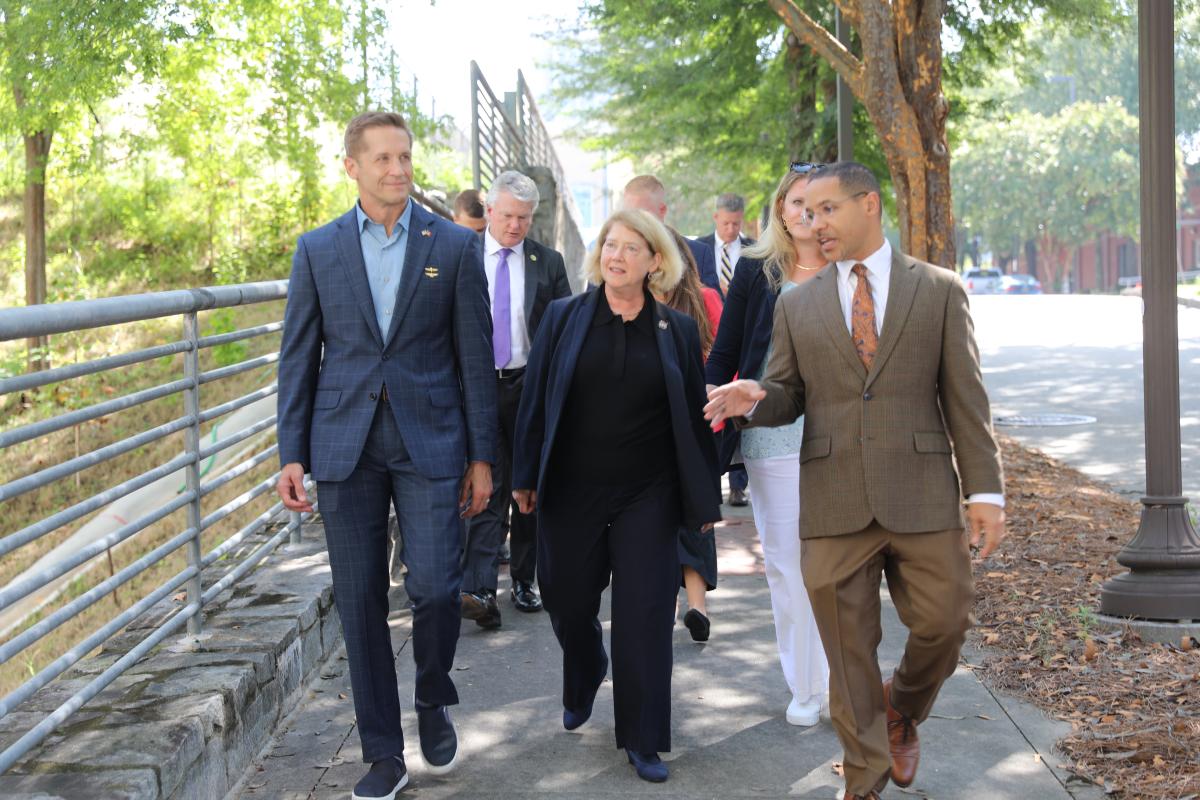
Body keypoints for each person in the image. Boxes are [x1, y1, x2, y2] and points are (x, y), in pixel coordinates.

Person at [705, 161, 1006, 800]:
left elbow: (966, 402)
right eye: (805, 213)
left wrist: (984, 491)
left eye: (825, 210)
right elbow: (788, 392)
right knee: (846, 654)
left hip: (921, 491)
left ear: (868, 204)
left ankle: (901, 708)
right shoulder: (798, 303)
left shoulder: (939, 289)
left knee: (945, 622)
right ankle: (863, 781)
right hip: (834, 498)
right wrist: (756, 397)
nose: (813, 225)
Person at [276, 111, 496, 800]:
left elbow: (475, 361)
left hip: (431, 441)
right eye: (382, 159)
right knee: (361, 602)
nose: (397, 169)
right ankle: (382, 754)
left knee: (435, 587)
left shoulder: (454, 247)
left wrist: (483, 456)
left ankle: (432, 694)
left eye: (404, 157)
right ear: (353, 167)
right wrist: (290, 452)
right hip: (343, 448)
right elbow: (297, 359)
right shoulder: (318, 250)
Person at [511, 208, 721, 784]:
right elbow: (535, 403)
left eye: (632, 247)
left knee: (646, 614)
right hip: (573, 488)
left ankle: (643, 736)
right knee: (566, 597)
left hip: (647, 493)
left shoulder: (674, 329)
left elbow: (692, 424)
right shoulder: (563, 317)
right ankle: (585, 668)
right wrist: (524, 477)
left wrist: (703, 503)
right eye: (610, 244)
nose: (616, 255)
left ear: (656, 262)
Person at [705, 163, 830, 725]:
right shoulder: (758, 272)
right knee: (786, 563)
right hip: (772, 434)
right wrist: (711, 403)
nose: (807, 212)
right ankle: (804, 686)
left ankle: (837, 681)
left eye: (819, 203)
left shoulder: (852, 269)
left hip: (843, 436)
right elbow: (725, 353)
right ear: (780, 208)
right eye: (797, 201)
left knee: (836, 564)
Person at [460, 170, 572, 629]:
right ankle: (481, 587)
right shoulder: (461, 255)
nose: (515, 226)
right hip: (479, 384)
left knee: (528, 485)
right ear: (490, 211)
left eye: (524, 218)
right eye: (507, 216)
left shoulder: (548, 261)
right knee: (485, 480)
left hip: (529, 385)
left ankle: (525, 580)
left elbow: (565, 327)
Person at [653, 258, 722, 642]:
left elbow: (722, 359)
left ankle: (694, 607)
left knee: (694, 515)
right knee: (671, 517)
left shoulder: (704, 300)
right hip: (658, 426)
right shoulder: (632, 302)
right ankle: (691, 606)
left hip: (695, 421)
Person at [697, 192, 755, 505]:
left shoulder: (753, 250)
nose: (732, 228)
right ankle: (714, 472)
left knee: (740, 408)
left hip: (744, 335)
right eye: (726, 222)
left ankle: (738, 484)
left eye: (737, 223)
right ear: (716, 218)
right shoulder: (701, 249)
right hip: (712, 337)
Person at [622, 175, 721, 295]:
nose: (634, 222)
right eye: (628, 214)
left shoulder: (698, 254)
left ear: (662, 210)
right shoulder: (610, 254)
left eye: (641, 214)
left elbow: (714, 309)